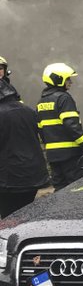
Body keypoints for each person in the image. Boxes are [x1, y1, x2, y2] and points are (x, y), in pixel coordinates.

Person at [37, 63, 83, 190]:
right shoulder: (63, 98)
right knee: (79, 189)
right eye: (68, 78)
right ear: (58, 79)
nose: (71, 82)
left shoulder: (41, 102)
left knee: (60, 189)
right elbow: (72, 125)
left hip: (53, 155)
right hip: (70, 155)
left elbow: (40, 129)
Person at [0, 77, 49, 217]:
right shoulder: (28, 111)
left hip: (9, 179)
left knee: (9, 217)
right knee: (25, 214)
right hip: (33, 175)